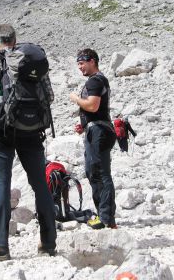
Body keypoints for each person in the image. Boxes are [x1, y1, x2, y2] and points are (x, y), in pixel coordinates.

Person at [0, 24, 57, 261]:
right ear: (15, 39)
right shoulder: (31, 59)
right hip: (32, 131)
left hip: (1, 132)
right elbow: (49, 95)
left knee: (2, 184)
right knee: (40, 183)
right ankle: (48, 242)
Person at [69, 48, 117, 229]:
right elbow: (96, 109)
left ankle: (107, 219)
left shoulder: (95, 81)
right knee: (93, 171)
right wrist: (84, 124)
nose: (80, 67)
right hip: (95, 129)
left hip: (99, 132)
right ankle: (104, 215)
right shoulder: (96, 81)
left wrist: (75, 98)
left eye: (82, 63)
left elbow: (92, 105)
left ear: (92, 61)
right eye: (78, 64)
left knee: (100, 172)